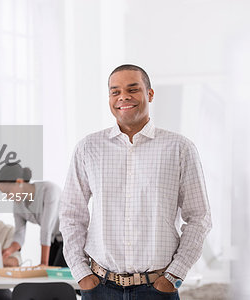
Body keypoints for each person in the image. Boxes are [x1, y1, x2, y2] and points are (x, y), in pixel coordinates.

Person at [59, 64, 212, 300]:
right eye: (115, 91)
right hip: (99, 287)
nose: (123, 97)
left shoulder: (180, 149)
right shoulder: (88, 148)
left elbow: (199, 218)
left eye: (133, 89)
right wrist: (81, 274)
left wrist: (174, 276)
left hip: (157, 288)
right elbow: (71, 214)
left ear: (149, 94)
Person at [0, 163, 67, 267]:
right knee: (49, 277)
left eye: (8, 192)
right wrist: (8, 251)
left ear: (19, 182)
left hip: (69, 239)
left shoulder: (49, 190)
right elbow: (19, 233)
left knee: (58, 277)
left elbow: (46, 228)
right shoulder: (18, 205)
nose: (7, 197)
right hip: (53, 240)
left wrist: (43, 263)